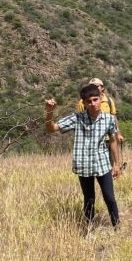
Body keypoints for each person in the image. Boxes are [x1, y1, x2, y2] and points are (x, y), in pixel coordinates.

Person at [46, 84, 121, 229]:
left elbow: (113, 141)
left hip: (103, 163)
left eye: (95, 99)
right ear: (84, 103)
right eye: (89, 101)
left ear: (101, 99)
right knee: (89, 200)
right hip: (84, 164)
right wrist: (49, 113)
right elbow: (51, 128)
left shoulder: (109, 120)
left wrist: (116, 164)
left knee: (110, 198)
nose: (93, 104)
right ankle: (90, 229)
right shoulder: (77, 118)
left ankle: (117, 227)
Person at [76, 77, 124, 143]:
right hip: (91, 139)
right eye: (91, 86)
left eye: (96, 86)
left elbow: (113, 118)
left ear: (102, 88)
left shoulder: (108, 101)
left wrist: (118, 134)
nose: (94, 88)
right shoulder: (82, 102)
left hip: (108, 138)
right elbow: (79, 121)